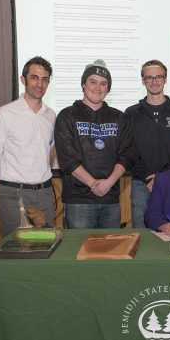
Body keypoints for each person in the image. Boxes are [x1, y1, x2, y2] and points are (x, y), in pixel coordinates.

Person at [54, 60, 135, 228]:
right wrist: (93, 184)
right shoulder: (67, 116)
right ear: (83, 84)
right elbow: (67, 160)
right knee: (79, 252)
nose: (97, 88)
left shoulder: (119, 117)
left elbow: (127, 155)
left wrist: (108, 183)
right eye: (93, 82)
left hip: (111, 199)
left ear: (108, 88)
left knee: (110, 252)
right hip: (79, 201)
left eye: (103, 84)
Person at [0, 56, 56, 237]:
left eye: (45, 79)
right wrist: (9, 185)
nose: (39, 84)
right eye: (34, 77)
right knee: (15, 249)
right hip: (14, 194)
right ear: (23, 79)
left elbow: (48, 154)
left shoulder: (51, 116)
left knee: (45, 245)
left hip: (45, 193)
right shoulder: (4, 114)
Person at [125, 59, 170, 228]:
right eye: (149, 78)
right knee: (141, 233)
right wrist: (147, 178)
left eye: (158, 77)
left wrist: (162, 177)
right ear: (143, 81)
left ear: (165, 79)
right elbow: (128, 150)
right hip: (141, 183)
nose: (154, 82)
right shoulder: (131, 113)